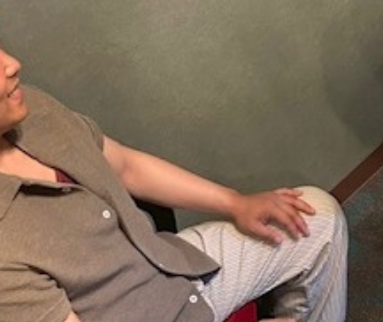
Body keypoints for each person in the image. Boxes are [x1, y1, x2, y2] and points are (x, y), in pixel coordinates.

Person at [0, 40, 347, 322]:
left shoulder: (32, 107)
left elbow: (126, 167)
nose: (13, 64)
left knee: (317, 218)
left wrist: (235, 202)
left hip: (168, 263)